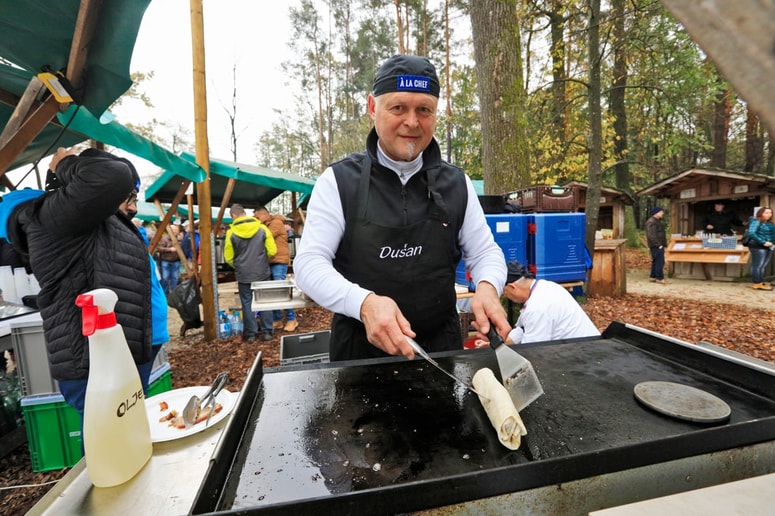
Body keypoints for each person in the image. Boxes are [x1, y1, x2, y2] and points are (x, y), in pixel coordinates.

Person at [294, 54, 509, 362]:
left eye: (424, 110)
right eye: (398, 108)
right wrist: (364, 303)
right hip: (360, 354)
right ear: (372, 107)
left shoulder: (456, 183)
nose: (412, 121)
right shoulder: (339, 181)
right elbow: (309, 265)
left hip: (441, 349)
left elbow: (485, 252)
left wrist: (488, 287)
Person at [0, 147, 156, 425]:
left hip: (119, 353)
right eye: (129, 196)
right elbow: (112, 175)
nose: (132, 206)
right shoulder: (52, 217)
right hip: (94, 361)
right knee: (111, 450)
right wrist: (67, 164)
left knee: (127, 442)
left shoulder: (85, 220)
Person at [475, 261, 600, 346]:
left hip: (583, 351)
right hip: (580, 345)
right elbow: (521, 330)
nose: (506, 296)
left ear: (512, 287)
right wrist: (498, 345)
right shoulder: (544, 286)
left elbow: (531, 350)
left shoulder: (538, 307)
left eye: (505, 293)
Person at [224, 204, 277, 342]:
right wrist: (262, 260)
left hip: (244, 274)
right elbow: (272, 250)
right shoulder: (262, 228)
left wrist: (239, 265)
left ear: (233, 216)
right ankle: (267, 332)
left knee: (247, 303)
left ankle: (251, 334)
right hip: (262, 272)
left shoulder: (231, 233)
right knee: (265, 301)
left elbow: (228, 257)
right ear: (245, 214)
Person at [255, 205, 298, 332]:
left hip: (279, 261)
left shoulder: (276, 223)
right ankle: (277, 319)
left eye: (257, 217)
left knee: (282, 290)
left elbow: (264, 236)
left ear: (264, 215)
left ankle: (292, 319)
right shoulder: (268, 224)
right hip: (270, 261)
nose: (256, 219)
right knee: (272, 292)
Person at [746, 206, 775, 291]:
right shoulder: (756, 221)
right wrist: (763, 242)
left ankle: (760, 282)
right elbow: (751, 233)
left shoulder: (769, 223)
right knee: (757, 265)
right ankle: (757, 283)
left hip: (768, 247)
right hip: (758, 246)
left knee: (762, 266)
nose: (769, 214)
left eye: (770, 213)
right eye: (766, 213)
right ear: (760, 213)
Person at [156, 223, 181, 294]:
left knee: (175, 278)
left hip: (176, 261)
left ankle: (174, 293)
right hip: (166, 260)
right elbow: (159, 248)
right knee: (165, 277)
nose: (175, 231)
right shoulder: (164, 238)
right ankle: (165, 293)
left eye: (176, 229)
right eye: (173, 229)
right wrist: (169, 249)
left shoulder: (180, 238)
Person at [646, 206, 667, 284]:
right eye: (661, 212)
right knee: (660, 261)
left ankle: (653, 276)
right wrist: (658, 245)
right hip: (656, 245)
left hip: (657, 245)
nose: (663, 213)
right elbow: (651, 235)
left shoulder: (656, 221)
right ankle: (659, 278)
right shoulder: (651, 222)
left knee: (656, 261)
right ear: (656, 213)